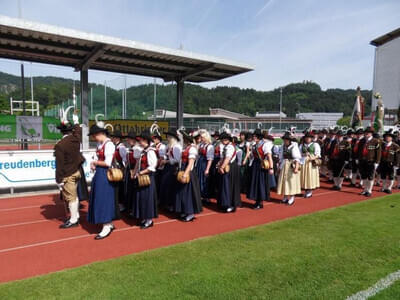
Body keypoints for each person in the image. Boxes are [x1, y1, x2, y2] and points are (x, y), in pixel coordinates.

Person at [54, 112, 85, 229]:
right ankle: (75, 216)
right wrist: (76, 122)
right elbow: (79, 131)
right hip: (77, 171)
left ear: (61, 132)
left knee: (70, 198)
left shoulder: (60, 145)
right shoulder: (75, 139)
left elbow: (60, 165)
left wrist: (58, 180)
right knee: (75, 196)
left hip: (68, 174)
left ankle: (73, 220)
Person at [87, 123, 117, 240]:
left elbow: (107, 162)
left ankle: (106, 225)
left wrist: (95, 163)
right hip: (99, 173)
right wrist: (94, 163)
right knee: (99, 197)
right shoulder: (100, 144)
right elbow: (98, 159)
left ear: (100, 133)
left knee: (104, 198)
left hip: (105, 174)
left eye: (94, 135)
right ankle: (107, 223)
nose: (94, 138)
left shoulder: (109, 145)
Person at [132, 132, 158, 229]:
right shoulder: (143, 151)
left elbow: (152, 166)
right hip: (141, 176)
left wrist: (141, 173)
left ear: (146, 141)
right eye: (140, 141)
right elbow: (138, 162)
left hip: (147, 177)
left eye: (142, 140)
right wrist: (134, 172)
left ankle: (149, 220)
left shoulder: (150, 152)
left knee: (147, 198)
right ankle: (144, 217)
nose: (140, 142)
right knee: (142, 198)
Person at [175, 130, 203, 221]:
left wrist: (185, 174)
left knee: (189, 194)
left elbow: (191, 163)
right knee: (183, 193)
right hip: (183, 170)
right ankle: (185, 211)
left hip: (189, 172)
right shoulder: (186, 148)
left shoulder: (192, 149)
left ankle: (190, 213)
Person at [247, 129, 274, 209]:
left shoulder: (265, 145)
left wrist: (271, 168)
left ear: (259, 137)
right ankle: (257, 200)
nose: (254, 137)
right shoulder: (255, 145)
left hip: (262, 165)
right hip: (255, 165)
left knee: (260, 183)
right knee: (255, 183)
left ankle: (260, 201)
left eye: (255, 136)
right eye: (253, 136)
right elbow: (252, 156)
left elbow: (269, 157)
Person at [216, 132, 241, 212]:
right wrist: (219, 164)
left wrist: (222, 167)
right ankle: (225, 203)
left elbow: (228, 158)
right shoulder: (226, 147)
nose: (221, 142)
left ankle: (231, 205)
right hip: (227, 167)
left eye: (222, 140)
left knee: (230, 186)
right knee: (225, 186)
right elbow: (223, 157)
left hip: (231, 168)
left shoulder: (230, 147)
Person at [277, 131, 301, 205]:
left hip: (291, 166)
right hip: (284, 165)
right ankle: (285, 196)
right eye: (284, 139)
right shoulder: (283, 146)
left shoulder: (294, 146)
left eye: (286, 140)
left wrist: (296, 168)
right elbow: (280, 158)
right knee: (284, 181)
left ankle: (292, 197)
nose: (285, 141)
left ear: (290, 140)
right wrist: (279, 167)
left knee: (291, 182)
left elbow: (297, 158)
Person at [159, 131, 182, 211]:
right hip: (167, 167)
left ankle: (172, 204)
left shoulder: (176, 147)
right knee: (165, 185)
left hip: (173, 168)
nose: (167, 138)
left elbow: (177, 159)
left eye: (169, 137)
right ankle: (167, 203)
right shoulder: (168, 146)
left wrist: (167, 161)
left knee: (171, 185)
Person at [358, 127, 381, 197]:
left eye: (368, 133)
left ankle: (369, 190)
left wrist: (377, 162)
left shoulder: (376, 141)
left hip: (371, 161)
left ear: (371, 134)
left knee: (370, 177)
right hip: (362, 161)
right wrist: (358, 159)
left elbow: (378, 153)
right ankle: (365, 189)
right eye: (365, 133)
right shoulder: (362, 141)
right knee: (364, 176)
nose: (366, 134)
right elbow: (359, 151)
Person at [299, 130, 321, 198]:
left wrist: (312, 157)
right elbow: (298, 154)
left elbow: (318, 154)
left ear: (311, 138)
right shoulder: (301, 145)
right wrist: (304, 154)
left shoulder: (315, 145)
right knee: (304, 176)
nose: (307, 139)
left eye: (309, 138)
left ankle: (310, 191)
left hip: (311, 163)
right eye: (306, 137)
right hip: (303, 162)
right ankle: (306, 190)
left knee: (310, 176)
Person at [110, 130, 127, 212]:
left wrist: (122, 169)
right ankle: (117, 203)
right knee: (116, 187)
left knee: (120, 187)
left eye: (113, 137)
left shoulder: (121, 147)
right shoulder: (115, 146)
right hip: (115, 169)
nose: (112, 138)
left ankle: (121, 205)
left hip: (120, 169)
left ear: (117, 138)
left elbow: (124, 160)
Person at [196, 130, 214, 205]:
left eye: (203, 137)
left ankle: (206, 197)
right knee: (199, 180)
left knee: (204, 180)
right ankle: (201, 196)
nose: (201, 139)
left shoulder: (210, 146)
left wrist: (207, 169)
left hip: (204, 164)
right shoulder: (201, 145)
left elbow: (210, 159)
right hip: (200, 163)